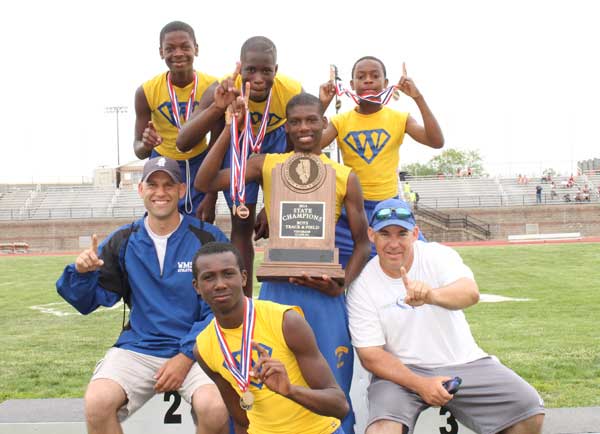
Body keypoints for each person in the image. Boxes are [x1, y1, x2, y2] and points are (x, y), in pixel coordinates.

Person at [194, 92, 371, 434]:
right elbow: (203, 181)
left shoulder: (344, 176)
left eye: (311, 120)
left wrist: (342, 284)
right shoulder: (267, 164)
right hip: (277, 294)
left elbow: (363, 245)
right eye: (296, 122)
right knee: (266, 383)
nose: (304, 127)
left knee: (334, 390)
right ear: (286, 127)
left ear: (324, 124)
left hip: (324, 298)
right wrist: (231, 127)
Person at [56, 156, 230, 434]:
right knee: (96, 402)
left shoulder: (207, 239)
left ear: (181, 190)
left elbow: (223, 308)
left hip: (197, 349)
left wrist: (186, 356)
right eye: (153, 185)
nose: (160, 192)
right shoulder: (124, 240)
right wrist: (81, 272)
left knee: (215, 407)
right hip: (140, 347)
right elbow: (88, 301)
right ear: (141, 190)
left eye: (168, 185)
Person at [347, 198, 545, 434]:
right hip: (402, 372)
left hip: (464, 362)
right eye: (384, 233)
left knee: (529, 409)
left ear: (415, 233)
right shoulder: (363, 285)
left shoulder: (436, 255)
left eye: (402, 233)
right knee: (382, 430)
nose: (393, 243)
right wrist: (421, 385)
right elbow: (371, 356)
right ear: (371, 235)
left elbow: (470, 293)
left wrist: (431, 296)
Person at [177, 36, 303, 296]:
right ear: (240, 67)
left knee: (287, 221)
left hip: (275, 144)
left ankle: (285, 293)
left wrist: (273, 204)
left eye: (266, 71)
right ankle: (243, 302)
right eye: (251, 70)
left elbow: (297, 147)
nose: (258, 78)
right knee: (242, 225)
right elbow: (184, 141)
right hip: (237, 144)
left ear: (276, 71)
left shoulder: (291, 91)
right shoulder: (221, 89)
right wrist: (210, 197)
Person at [192, 242, 349, 434]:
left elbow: (339, 405)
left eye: (228, 274)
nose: (220, 284)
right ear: (197, 286)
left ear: (243, 278)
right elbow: (241, 419)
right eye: (208, 277)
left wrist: (290, 390)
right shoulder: (204, 348)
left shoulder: (286, 321)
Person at [320, 57, 443, 267]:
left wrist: (418, 98)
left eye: (375, 76)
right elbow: (309, 146)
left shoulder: (399, 118)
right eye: (361, 77)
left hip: (388, 207)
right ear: (351, 85)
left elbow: (436, 141)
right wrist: (321, 104)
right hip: (351, 208)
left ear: (386, 83)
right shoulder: (340, 121)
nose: (368, 81)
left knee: (422, 261)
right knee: (328, 265)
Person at [133, 21, 219, 219]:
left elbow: (216, 144)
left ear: (196, 49)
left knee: (199, 225)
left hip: (200, 161)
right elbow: (138, 150)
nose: (178, 53)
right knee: (160, 223)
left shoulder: (213, 87)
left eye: (185, 47)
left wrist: (212, 195)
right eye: (170, 48)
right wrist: (146, 143)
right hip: (161, 161)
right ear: (161, 52)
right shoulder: (146, 91)